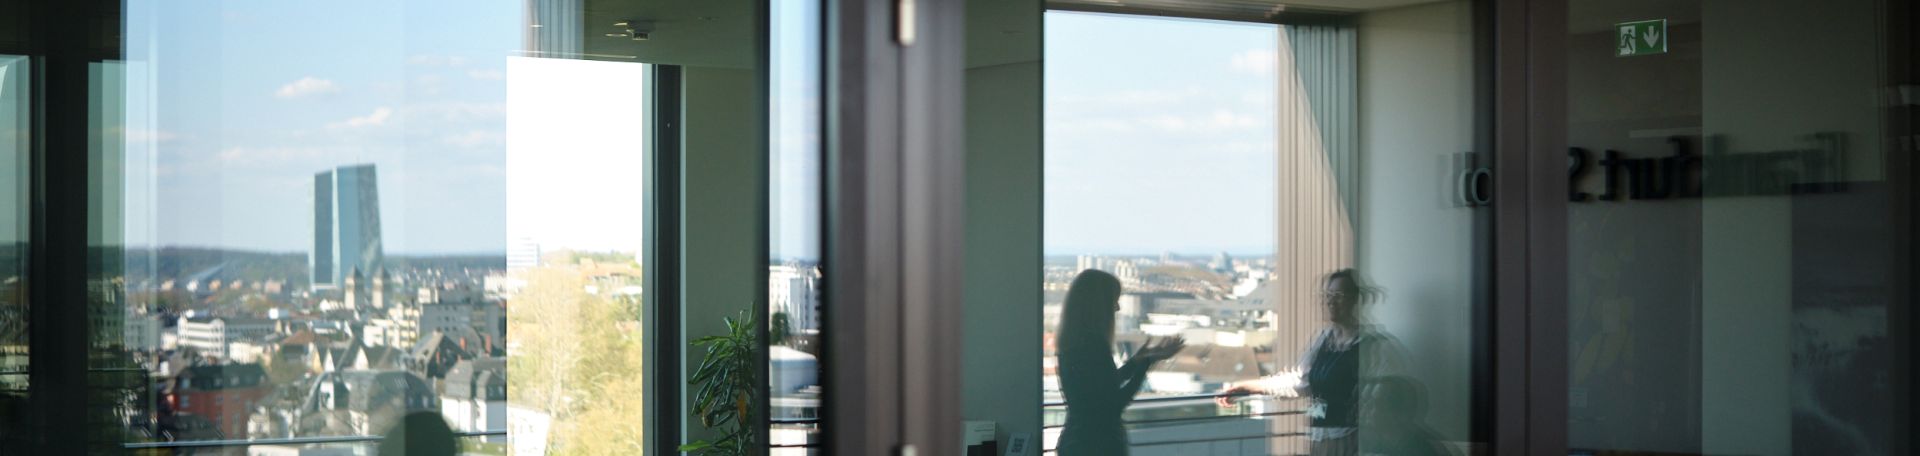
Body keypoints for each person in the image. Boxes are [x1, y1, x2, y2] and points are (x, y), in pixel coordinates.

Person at [1216, 268, 1418, 456]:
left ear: (1355, 300)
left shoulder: (1372, 347)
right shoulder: (1324, 339)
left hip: (1351, 443)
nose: (1330, 302)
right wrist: (1248, 387)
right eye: (1327, 296)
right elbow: (1298, 382)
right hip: (1320, 441)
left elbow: (1388, 399)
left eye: (1338, 296)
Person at [1055, 270, 1185, 456]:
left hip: (1077, 441)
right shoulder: (1094, 345)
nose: (1117, 307)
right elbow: (1114, 403)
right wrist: (1145, 363)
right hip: (1099, 445)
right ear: (1098, 305)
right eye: (1113, 300)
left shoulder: (1072, 343)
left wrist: (1138, 361)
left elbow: (1101, 387)